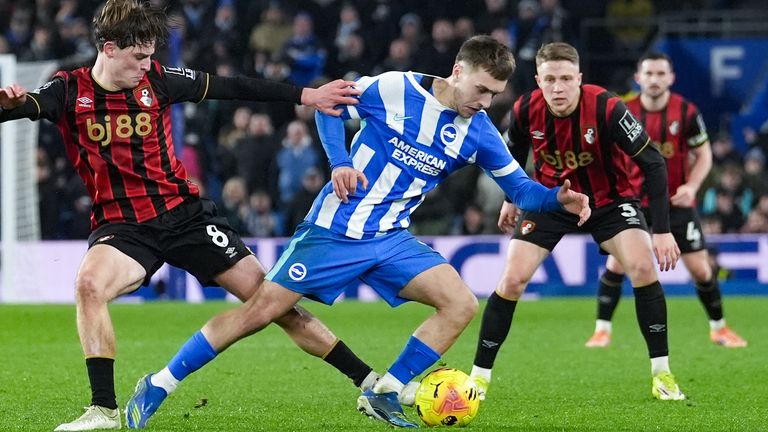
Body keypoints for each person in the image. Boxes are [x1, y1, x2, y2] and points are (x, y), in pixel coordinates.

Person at [124, 35, 591, 429]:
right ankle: (160, 383)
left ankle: (385, 391)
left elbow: (522, 191)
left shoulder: (480, 131)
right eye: (482, 90)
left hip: (392, 238)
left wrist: (558, 199)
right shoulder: (394, 88)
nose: (485, 103)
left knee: (461, 303)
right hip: (335, 228)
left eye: (494, 95)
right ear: (457, 70)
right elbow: (329, 107)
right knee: (260, 313)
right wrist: (341, 162)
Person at [0, 1, 374, 430]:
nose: (147, 65)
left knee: (273, 303)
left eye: (150, 55)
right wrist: (8, 103)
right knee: (88, 285)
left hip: (188, 217)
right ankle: (103, 410)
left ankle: (368, 382)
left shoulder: (160, 80)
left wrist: (307, 96)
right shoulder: (67, 90)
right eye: (139, 57)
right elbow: (22, 105)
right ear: (108, 48)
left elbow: (235, 86)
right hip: (123, 229)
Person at [470, 42, 687, 403]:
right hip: (552, 200)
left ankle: (662, 373)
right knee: (512, 279)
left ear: (579, 79)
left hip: (610, 201)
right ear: (538, 79)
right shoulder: (525, 109)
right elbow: (514, 154)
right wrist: (511, 199)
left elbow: (653, 162)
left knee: (642, 267)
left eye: (566, 79)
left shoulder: (607, 107)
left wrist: (661, 230)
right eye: (550, 79)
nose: (558, 88)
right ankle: (478, 379)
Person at [585, 53, 747, 349]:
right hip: (631, 203)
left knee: (701, 269)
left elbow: (705, 155)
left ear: (671, 78)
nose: (655, 79)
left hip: (676, 203)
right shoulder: (622, 110)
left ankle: (719, 329)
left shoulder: (686, 112)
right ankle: (601, 330)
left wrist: (692, 186)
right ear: (638, 77)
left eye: (661, 73)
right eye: (649, 74)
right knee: (617, 265)